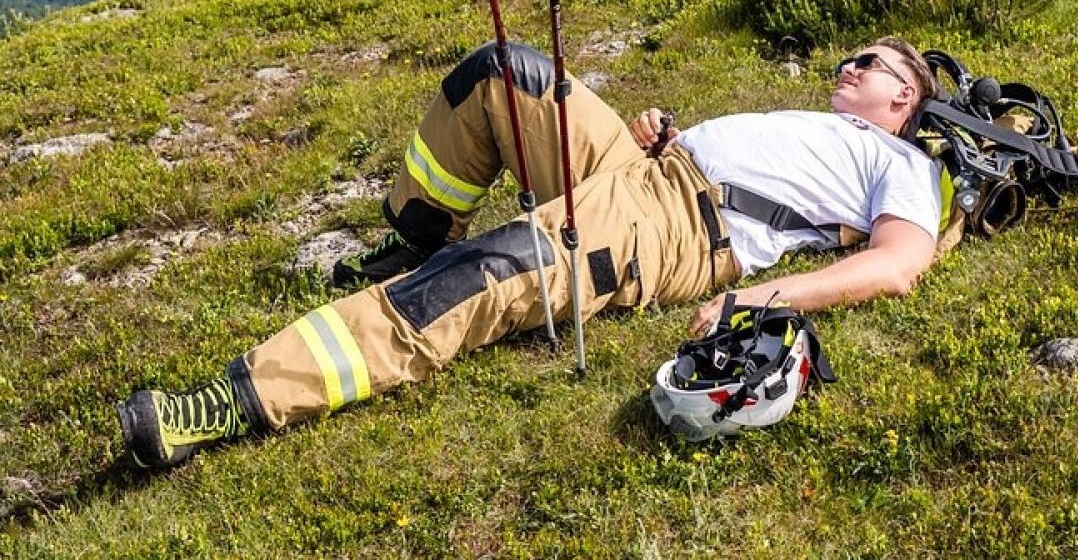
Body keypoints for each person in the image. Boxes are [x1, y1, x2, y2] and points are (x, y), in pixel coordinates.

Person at [117, 37, 942, 468]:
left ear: (902, 95)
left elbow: (898, 263)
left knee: (480, 276)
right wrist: (662, 135)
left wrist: (764, 298)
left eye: (867, 62)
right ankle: (414, 236)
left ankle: (237, 399)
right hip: (644, 166)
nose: (848, 63)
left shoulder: (902, 163)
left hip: (676, 228)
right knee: (499, 74)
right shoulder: (832, 127)